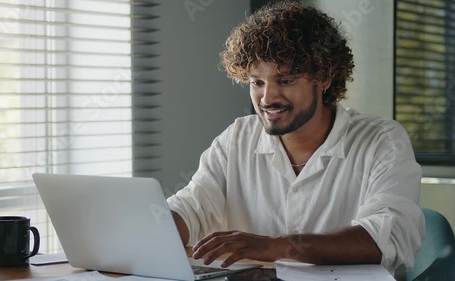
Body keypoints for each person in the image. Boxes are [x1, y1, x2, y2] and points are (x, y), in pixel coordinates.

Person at [166, 1, 425, 279]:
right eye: (257, 83)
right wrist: (149, 229)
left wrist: (273, 247)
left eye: (285, 80)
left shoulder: (381, 140)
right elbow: (192, 206)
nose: (267, 99)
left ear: (324, 78)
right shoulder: (237, 138)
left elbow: (387, 238)